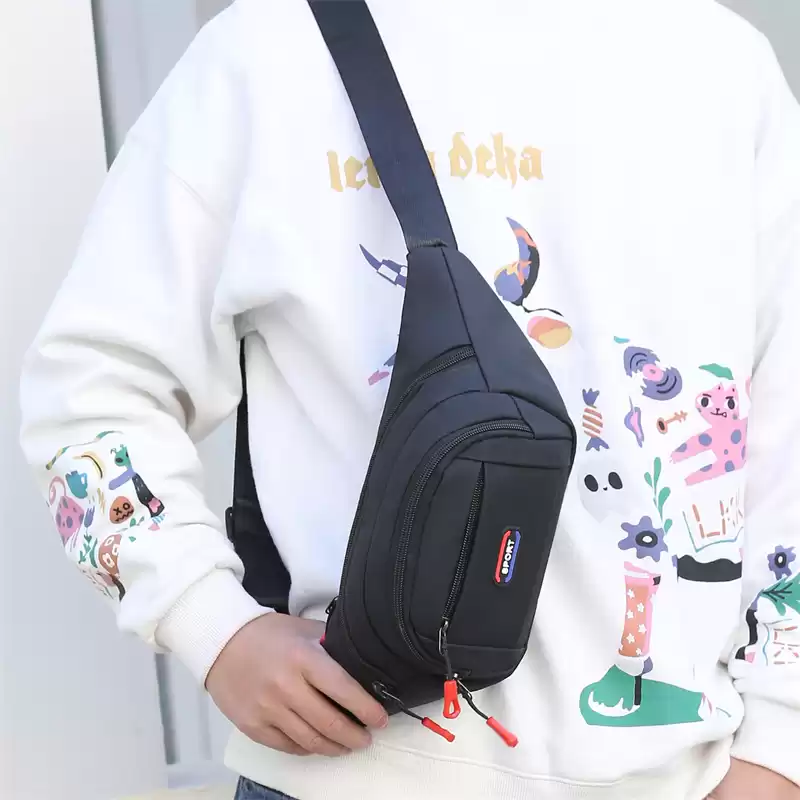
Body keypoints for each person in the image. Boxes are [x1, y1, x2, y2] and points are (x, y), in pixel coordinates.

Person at [19, 0, 800, 798]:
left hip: (687, 777)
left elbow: (787, 428)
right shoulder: (270, 54)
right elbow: (91, 384)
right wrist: (209, 622)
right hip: (359, 770)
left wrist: (780, 747)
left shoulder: (723, 68)